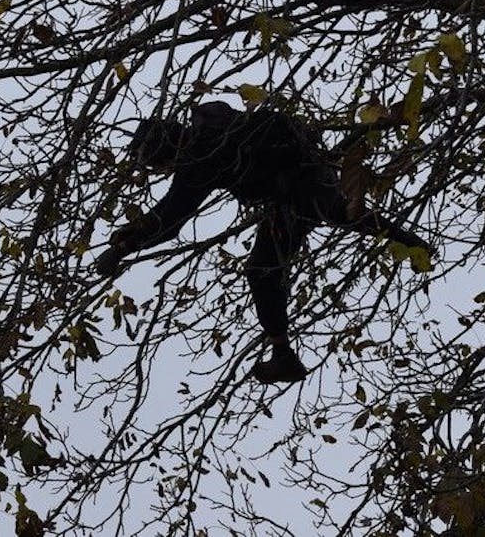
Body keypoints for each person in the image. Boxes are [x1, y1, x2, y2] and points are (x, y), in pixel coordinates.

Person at [93, 101, 433, 383]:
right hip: (311, 167)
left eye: (156, 162)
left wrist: (124, 244)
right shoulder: (210, 117)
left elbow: (169, 220)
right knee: (340, 213)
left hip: (293, 194)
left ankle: (283, 355)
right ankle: (414, 245)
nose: (162, 168)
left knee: (263, 270)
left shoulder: (197, 161)